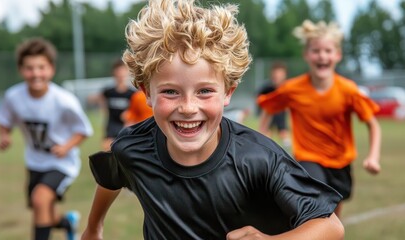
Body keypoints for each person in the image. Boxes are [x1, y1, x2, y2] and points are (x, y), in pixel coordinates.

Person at [82, 1, 344, 239]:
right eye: (170, 92)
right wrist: (93, 228)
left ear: (228, 92)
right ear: (146, 92)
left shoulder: (258, 158)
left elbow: (330, 226)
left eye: (204, 91)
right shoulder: (132, 146)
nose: (187, 107)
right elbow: (110, 174)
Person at [258, 20, 382, 218]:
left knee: (334, 212)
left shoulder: (348, 90)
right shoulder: (292, 88)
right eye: (316, 50)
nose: (322, 56)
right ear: (307, 55)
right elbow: (268, 107)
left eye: (328, 50)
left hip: (340, 162)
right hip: (309, 158)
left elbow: (372, 124)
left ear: (337, 55)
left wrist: (373, 157)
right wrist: (262, 136)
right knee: (318, 204)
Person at [0, 37, 93, 240]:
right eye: (29, 68)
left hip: (61, 163)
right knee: (41, 209)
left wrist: (66, 147)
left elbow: (83, 130)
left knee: (40, 199)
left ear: (51, 69)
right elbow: (4, 119)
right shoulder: (14, 96)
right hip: (34, 161)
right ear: (21, 70)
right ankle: (67, 222)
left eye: (41, 67)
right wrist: (4, 136)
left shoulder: (63, 100)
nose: (36, 73)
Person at [87, 59, 135, 151]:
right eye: (118, 71)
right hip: (111, 127)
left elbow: (136, 111)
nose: (120, 74)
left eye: (123, 71)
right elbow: (98, 100)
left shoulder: (132, 93)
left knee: (124, 153)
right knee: (108, 152)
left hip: (126, 127)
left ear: (127, 72)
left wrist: (129, 115)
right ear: (114, 73)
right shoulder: (108, 91)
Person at [257, 61, 291, 148]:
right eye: (275, 74)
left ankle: (286, 149)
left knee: (283, 133)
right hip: (268, 114)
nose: (277, 76)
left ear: (284, 75)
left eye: (279, 74)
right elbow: (260, 103)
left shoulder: (287, 88)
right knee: (264, 135)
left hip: (281, 114)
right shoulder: (266, 89)